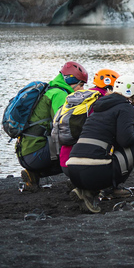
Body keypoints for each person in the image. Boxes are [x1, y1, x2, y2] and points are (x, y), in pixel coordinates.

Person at [66, 75, 134, 213]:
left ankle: (87, 192)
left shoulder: (99, 107)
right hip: (94, 172)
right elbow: (126, 140)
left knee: (106, 153)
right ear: (133, 96)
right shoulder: (125, 107)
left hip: (74, 171)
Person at [17, 61, 88, 190]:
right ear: (71, 81)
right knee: (78, 146)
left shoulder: (50, 89)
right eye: (81, 85)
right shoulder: (60, 94)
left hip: (26, 152)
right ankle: (78, 180)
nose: (82, 89)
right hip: (36, 154)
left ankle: (34, 174)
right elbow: (65, 125)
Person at [58, 68, 120, 174]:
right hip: (84, 165)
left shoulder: (83, 96)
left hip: (65, 162)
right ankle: (107, 187)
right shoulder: (103, 101)